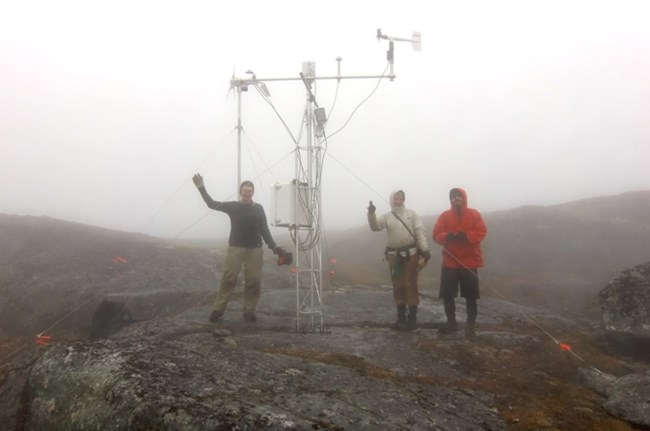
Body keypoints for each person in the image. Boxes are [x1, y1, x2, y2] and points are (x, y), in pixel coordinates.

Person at [192, 173, 280, 322]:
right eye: (245, 191)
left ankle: (249, 311)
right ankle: (218, 310)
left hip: (255, 248)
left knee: (254, 280)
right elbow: (212, 204)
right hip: (236, 247)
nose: (247, 193)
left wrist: (273, 246)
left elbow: (264, 229)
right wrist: (201, 188)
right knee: (229, 277)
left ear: (252, 193)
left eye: (250, 191)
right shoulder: (233, 206)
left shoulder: (258, 208)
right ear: (241, 192)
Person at [367, 190, 431, 330]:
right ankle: (400, 319)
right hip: (394, 256)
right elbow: (375, 227)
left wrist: (425, 248)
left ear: (403, 200)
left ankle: (412, 320)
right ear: (391, 200)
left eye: (400, 198)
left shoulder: (411, 214)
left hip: (411, 254)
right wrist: (371, 214)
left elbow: (420, 231)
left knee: (411, 284)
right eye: (395, 198)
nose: (398, 200)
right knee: (397, 285)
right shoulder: (387, 217)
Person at [432, 188, 487, 337]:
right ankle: (451, 323)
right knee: (447, 295)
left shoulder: (474, 214)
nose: (456, 199)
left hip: (469, 262)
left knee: (471, 296)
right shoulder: (444, 216)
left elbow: (481, 231)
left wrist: (466, 236)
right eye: (453, 197)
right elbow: (436, 234)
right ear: (451, 200)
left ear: (464, 198)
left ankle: (470, 326)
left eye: (458, 197)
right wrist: (448, 236)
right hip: (450, 262)